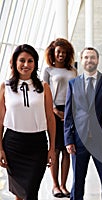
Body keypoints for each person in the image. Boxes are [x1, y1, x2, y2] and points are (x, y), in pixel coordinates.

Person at [0, 44, 56, 200]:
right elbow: (0, 120)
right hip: (13, 144)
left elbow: (50, 118)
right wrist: (0, 148)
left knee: (30, 192)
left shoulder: (44, 87)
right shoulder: (6, 87)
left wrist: (52, 149)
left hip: (37, 145)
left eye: (30, 61)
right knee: (19, 193)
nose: (26, 65)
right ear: (14, 63)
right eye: (22, 60)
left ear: (35, 63)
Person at [64, 47, 102, 200]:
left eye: (92, 57)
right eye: (86, 57)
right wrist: (68, 140)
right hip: (79, 140)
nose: (89, 60)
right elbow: (69, 114)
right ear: (81, 60)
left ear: (97, 60)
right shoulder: (73, 84)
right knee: (77, 181)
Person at [43, 38, 77, 198]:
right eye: (58, 52)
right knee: (55, 149)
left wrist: (72, 113)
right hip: (53, 111)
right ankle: (55, 185)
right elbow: (43, 93)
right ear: (53, 53)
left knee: (67, 150)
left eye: (64, 52)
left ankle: (64, 185)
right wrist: (55, 111)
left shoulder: (73, 70)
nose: (61, 55)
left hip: (70, 111)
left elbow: (76, 92)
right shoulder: (49, 71)